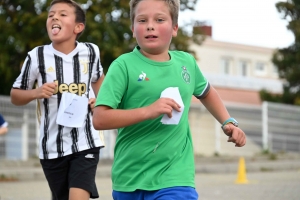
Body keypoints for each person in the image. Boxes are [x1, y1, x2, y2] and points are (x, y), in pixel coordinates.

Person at [92, 0, 246, 199]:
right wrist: (149, 110)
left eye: (159, 19)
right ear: (132, 29)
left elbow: (207, 92)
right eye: (142, 20)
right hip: (129, 180)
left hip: (176, 178)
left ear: (174, 28)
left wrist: (228, 122)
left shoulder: (187, 63)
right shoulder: (123, 66)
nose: (150, 25)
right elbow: (100, 119)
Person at [10, 0, 105, 199]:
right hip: (51, 147)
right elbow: (15, 96)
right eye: (51, 14)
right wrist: (36, 92)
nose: (54, 17)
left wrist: (101, 101)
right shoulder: (37, 56)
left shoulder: (91, 51)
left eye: (63, 14)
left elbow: (99, 84)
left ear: (78, 27)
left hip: (86, 142)